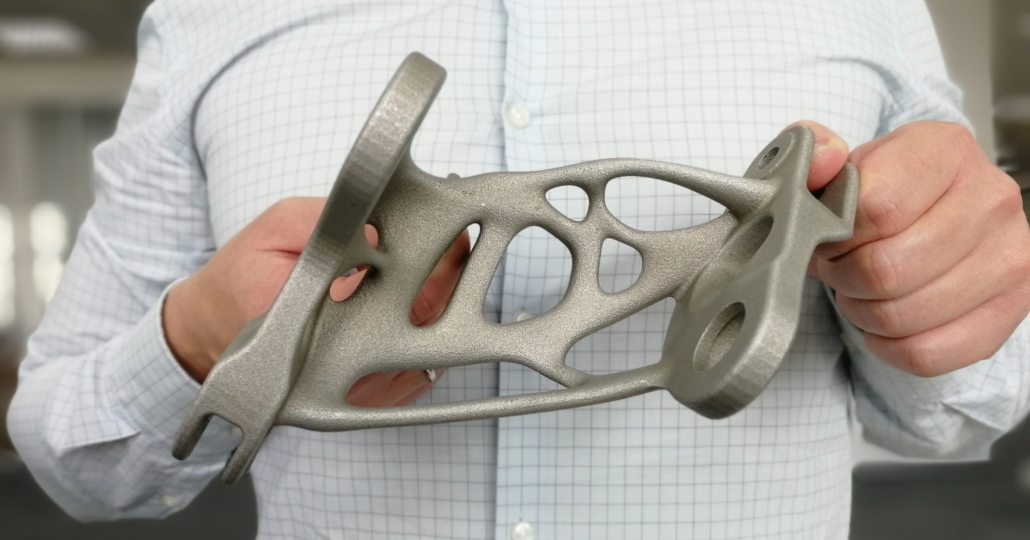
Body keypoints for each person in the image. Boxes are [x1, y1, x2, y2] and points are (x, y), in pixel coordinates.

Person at [8, 0, 1030, 538]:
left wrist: (934, 289)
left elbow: (968, 402)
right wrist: (203, 342)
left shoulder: (859, 7)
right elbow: (70, 452)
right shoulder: (212, 14)